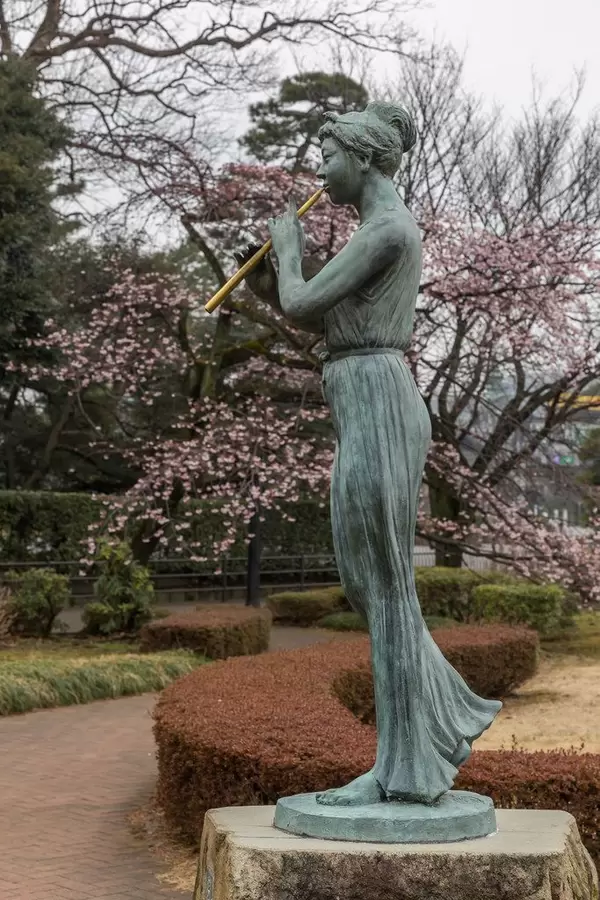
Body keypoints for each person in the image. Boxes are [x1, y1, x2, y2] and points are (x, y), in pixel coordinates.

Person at [242, 101, 501, 807]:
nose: (320, 171)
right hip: (366, 401)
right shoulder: (372, 230)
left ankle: (403, 770)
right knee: (371, 583)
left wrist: (287, 247)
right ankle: (439, 725)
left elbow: (300, 302)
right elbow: (317, 310)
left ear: (361, 158)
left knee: (384, 588)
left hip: (381, 406)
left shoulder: (386, 230)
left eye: (327, 156)